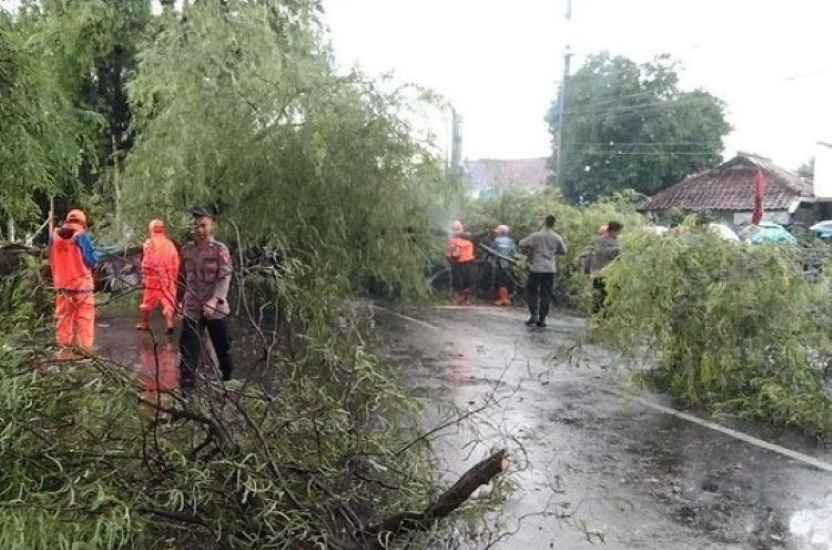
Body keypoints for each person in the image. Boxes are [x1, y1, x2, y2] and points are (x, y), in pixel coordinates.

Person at [178, 206, 234, 388]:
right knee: (188, 351)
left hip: (215, 309)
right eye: (196, 226)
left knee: (223, 350)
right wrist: (179, 301)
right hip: (192, 308)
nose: (199, 230)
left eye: (203, 225)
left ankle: (229, 383)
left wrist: (215, 299)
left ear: (212, 225)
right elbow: (182, 278)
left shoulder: (219, 250)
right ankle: (187, 392)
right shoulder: (187, 250)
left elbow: (225, 277)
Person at [49, 209, 99, 360]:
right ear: (83, 223)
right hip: (82, 288)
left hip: (63, 288)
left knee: (64, 319)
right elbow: (92, 261)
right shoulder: (82, 237)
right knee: (85, 319)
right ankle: (85, 353)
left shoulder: (54, 237)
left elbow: (51, 261)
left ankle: (65, 352)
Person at [519, 214, 566, 328]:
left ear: (544, 222)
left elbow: (521, 243)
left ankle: (533, 315)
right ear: (553, 224)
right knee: (546, 294)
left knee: (532, 291)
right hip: (550, 269)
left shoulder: (536, 236)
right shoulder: (557, 237)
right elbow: (564, 251)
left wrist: (533, 248)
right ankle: (542, 319)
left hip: (536, 268)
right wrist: (553, 252)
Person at [136, 219, 180, 334]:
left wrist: (145, 277)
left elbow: (146, 262)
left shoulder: (149, 243)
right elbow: (175, 261)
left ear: (151, 229)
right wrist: (173, 277)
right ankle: (169, 322)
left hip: (153, 277)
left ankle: (145, 323)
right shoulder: (169, 244)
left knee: (148, 301)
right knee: (168, 300)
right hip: (167, 277)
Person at [588, 220, 624, 314]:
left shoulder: (618, 240)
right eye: (618, 231)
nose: (619, 233)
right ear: (612, 230)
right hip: (601, 272)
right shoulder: (600, 240)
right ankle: (596, 316)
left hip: (613, 274)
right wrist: (618, 250)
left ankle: (607, 317)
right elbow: (605, 252)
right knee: (599, 296)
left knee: (611, 297)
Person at [445, 220, 476, 305]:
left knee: (467, 281)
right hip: (456, 262)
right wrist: (449, 257)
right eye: (454, 228)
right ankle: (459, 297)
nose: (456, 230)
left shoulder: (468, 237)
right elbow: (449, 251)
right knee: (457, 280)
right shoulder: (452, 239)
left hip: (467, 261)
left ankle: (466, 299)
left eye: (457, 228)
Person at [491, 224, 515, 306]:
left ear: (501, 232)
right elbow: (515, 253)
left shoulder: (497, 240)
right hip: (508, 264)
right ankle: (504, 298)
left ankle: (503, 299)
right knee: (505, 281)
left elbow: (491, 251)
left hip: (499, 264)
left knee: (500, 281)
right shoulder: (510, 241)